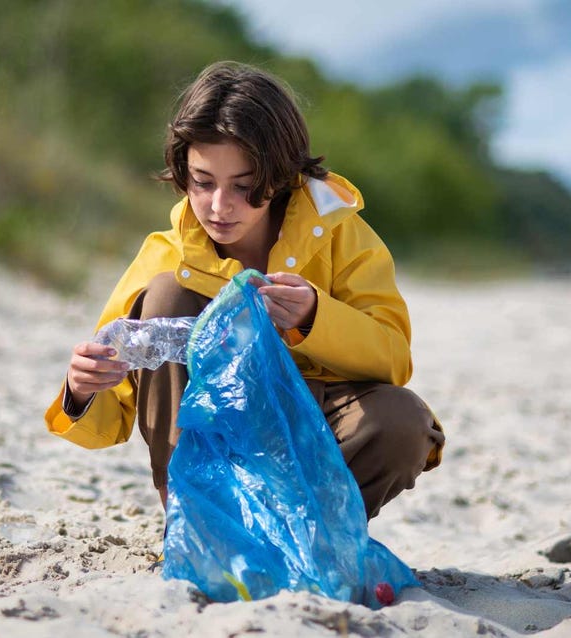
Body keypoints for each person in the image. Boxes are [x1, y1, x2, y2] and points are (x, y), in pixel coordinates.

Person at [45, 61, 445, 520]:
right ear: (183, 171)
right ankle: (197, 524)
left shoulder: (343, 234)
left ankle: (313, 536)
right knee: (167, 295)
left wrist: (315, 317)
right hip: (215, 449)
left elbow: (393, 359)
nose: (219, 206)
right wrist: (81, 389)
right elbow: (108, 419)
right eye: (202, 182)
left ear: (281, 173)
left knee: (404, 422)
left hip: (313, 436)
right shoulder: (166, 255)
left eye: (244, 184)